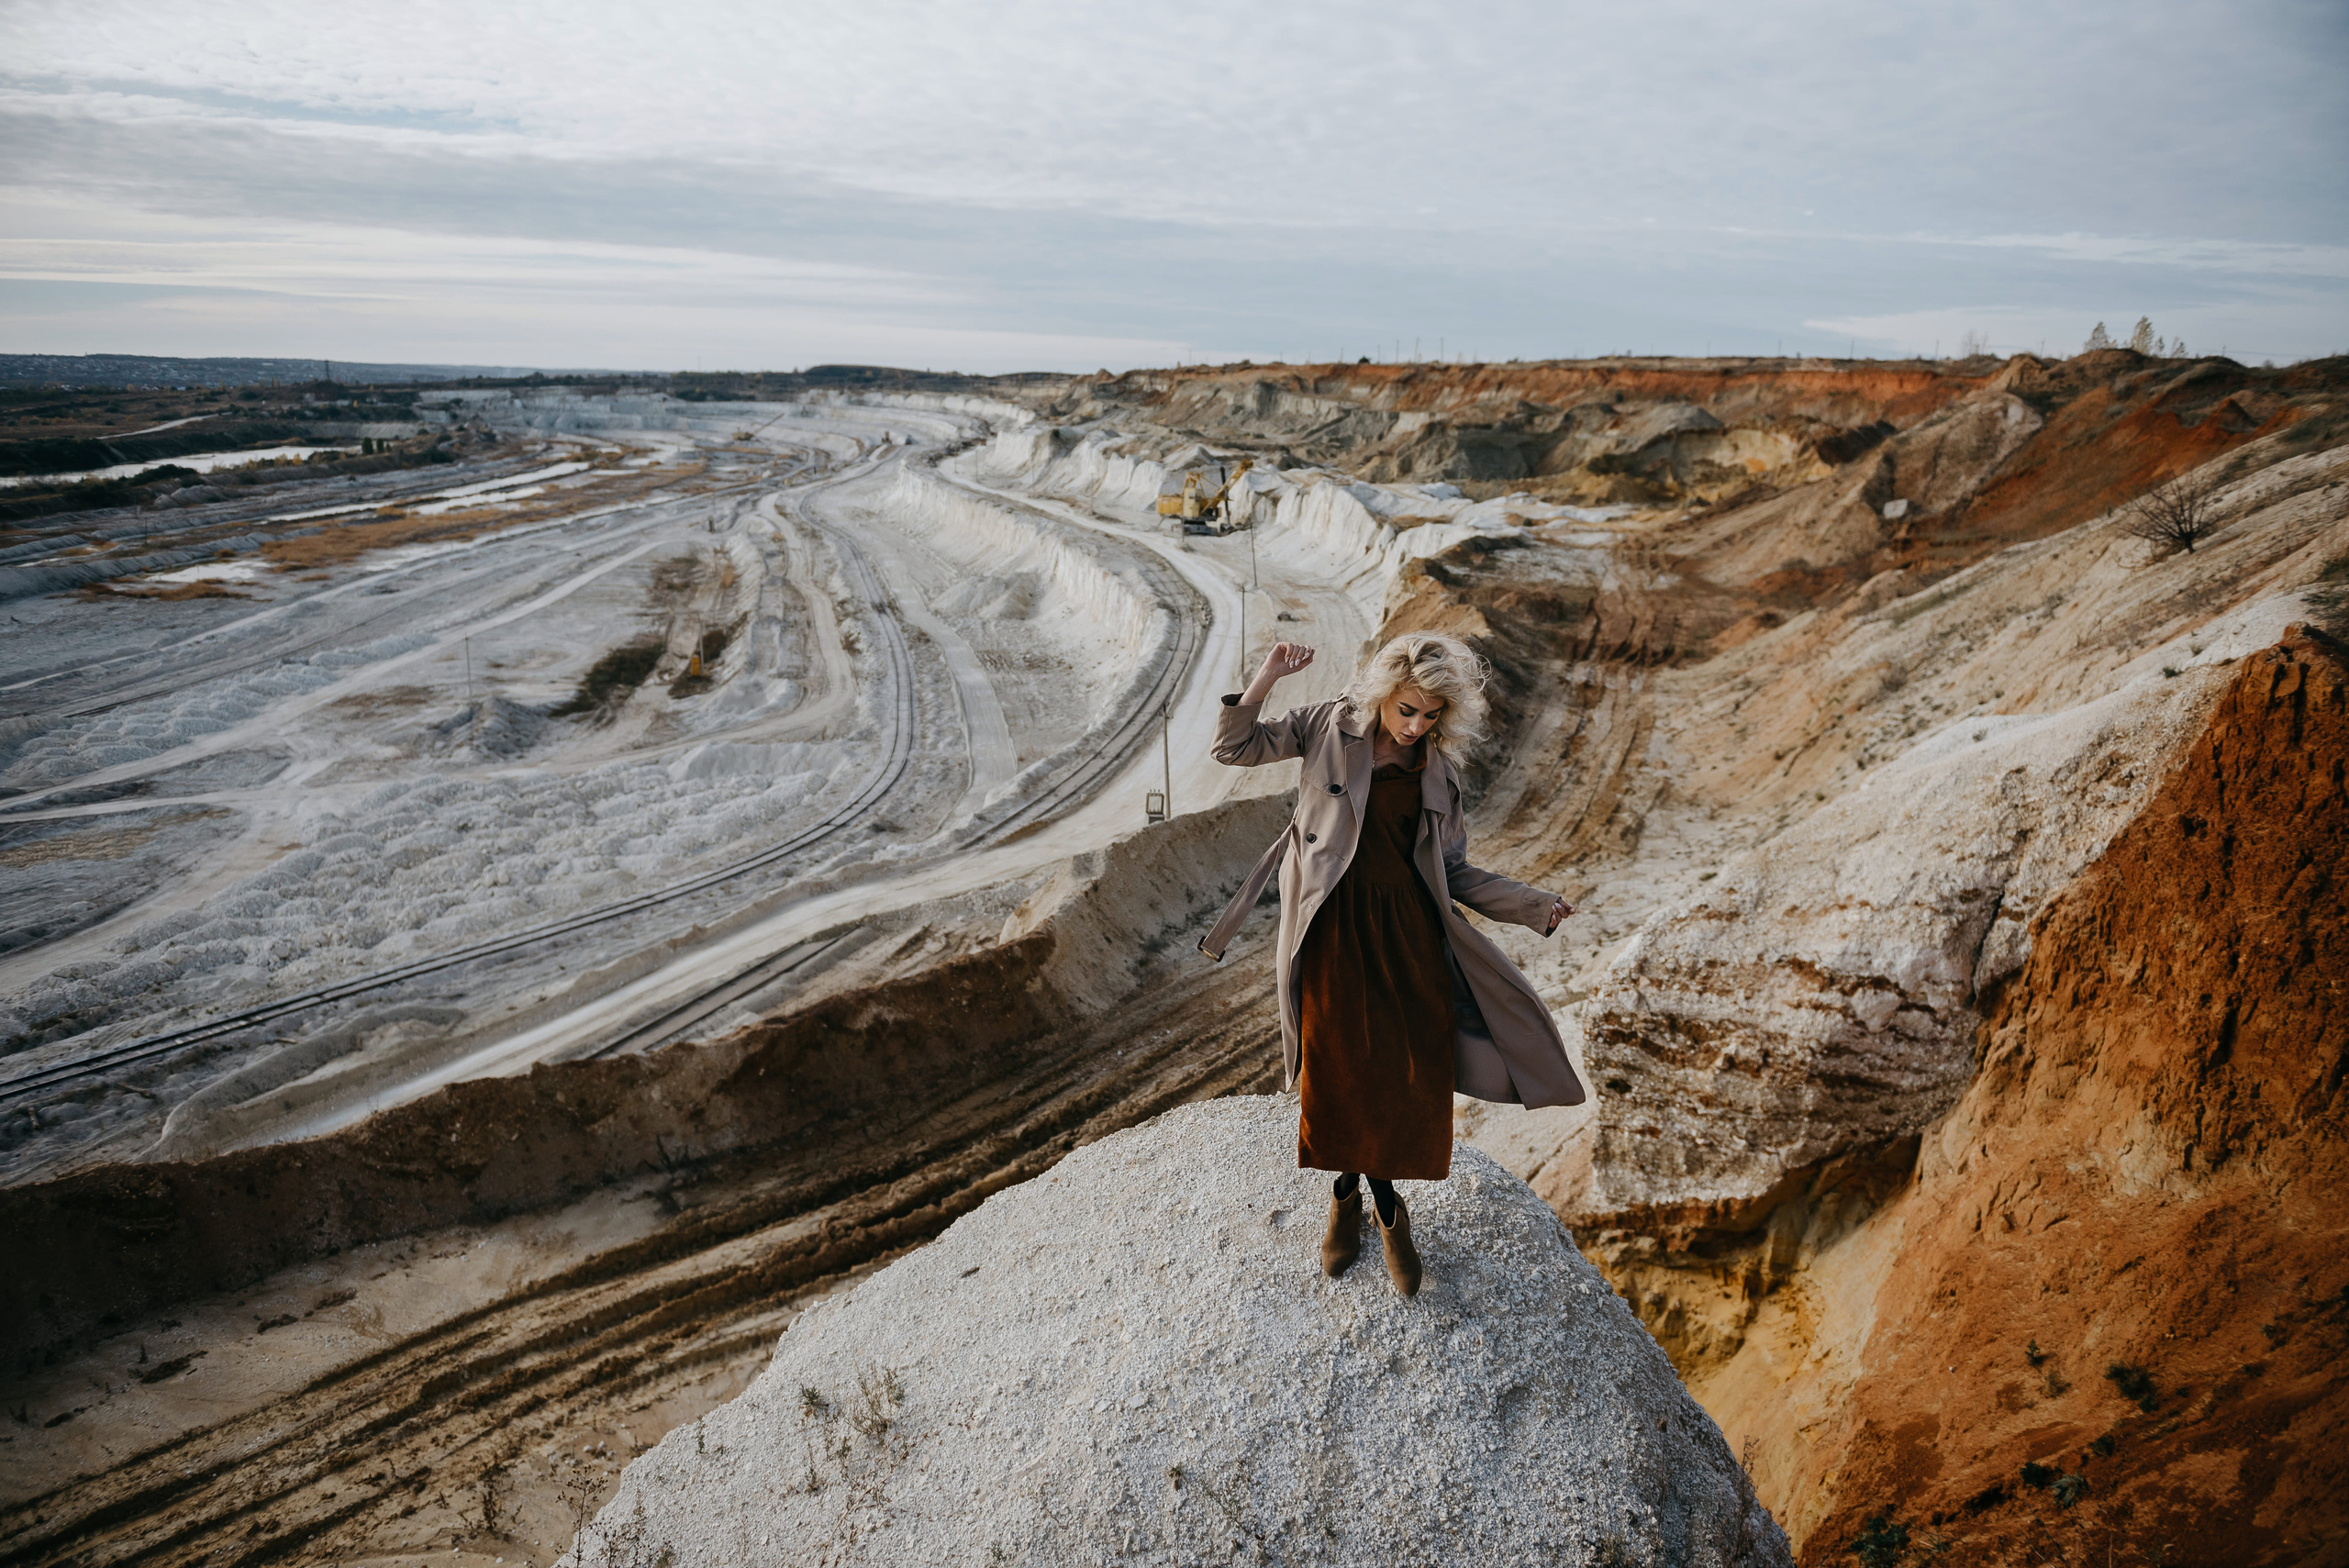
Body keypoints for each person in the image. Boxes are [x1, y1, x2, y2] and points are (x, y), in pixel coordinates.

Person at [1199, 631, 1585, 1296]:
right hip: (1331, 927)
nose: (1416, 727)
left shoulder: (1438, 773)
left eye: (1432, 715)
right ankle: (1377, 1209)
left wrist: (1535, 905)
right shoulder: (1327, 726)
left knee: (1407, 1078)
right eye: (1407, 710)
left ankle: (1362, 1199)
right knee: (1340, 1071)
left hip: (1406, 934)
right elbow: (1233, 746)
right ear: (1383, 695)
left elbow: (1454, 871)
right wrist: (1266, 675)